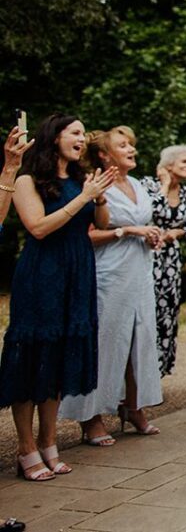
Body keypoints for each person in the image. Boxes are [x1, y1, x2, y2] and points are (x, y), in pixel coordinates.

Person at [1, 116, 114, 480]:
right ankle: (25, 446)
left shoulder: (81, 180)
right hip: (42, 274)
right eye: (76, 133)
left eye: (83, 133)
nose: (83, 139)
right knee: (33, 357)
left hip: (77, 271)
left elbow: (101, 221)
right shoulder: (26, 181)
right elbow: (37, 228)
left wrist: (97, 198)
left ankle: (49, 441)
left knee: (62, 354)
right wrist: (82, 197)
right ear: (55, 138)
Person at [60, 126, 165, 443]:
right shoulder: (93, 185)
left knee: (139, 340)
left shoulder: (136, 184)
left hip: (140, 272)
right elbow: (87, 234)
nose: (132, 149)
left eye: (132, 144)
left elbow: (142, 222)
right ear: (104, 155)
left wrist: (151, 232)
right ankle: (90, 417)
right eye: (123, 145)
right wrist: (127, 231)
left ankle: (133, 407)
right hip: (108, 275)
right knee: (105, 345)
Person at [142, 144, 186, 377]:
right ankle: (137, 376)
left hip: (171, 260)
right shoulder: (148, 185)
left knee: (167, 313)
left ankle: (157, 372)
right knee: (147, 312)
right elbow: (149, 212)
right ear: (168, 164)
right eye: (184, 162)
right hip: (147, 255)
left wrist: (176, 233)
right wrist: (164, 185)